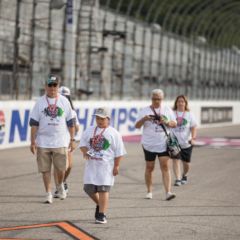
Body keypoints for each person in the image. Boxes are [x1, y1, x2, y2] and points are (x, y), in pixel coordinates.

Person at [29, 74, 76, 204]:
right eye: (50, 85)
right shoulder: (40, 102)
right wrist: (32, 141)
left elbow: (71, 122)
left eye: (55, 85)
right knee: (45, 170)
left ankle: (60, 184)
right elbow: (34, 123)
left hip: (60, 141)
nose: (52, 88)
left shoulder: (64, 101)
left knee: (61, 168)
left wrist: (72, 140)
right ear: (45, 86)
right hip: (43, 141)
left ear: (58, 86)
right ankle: (48, 193)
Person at [79, 107, 126, 224]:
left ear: (108, 119)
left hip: (106, 167)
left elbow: (119, 152)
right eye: (97, 118)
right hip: (91, 166)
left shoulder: (114, 133)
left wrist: (116, 166)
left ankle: (101, 214)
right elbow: (82, 144)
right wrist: (85, 151)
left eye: (102, 118)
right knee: (88, 188)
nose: (99, 121)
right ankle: (100, 205)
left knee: (103, 189)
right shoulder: (89, 130)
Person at [135, 89, 177, 201]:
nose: (156, 101)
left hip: (163, 143)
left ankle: (168, 192)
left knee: (165, 166)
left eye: (158, 99)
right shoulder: (145, 110)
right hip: (148, 144)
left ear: (162, 99)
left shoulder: (167, 109)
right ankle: (149, 191)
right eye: (154, 98)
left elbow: (174, 123)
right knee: (150, 167)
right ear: (151, 98)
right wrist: (144, 119)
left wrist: (167, 122)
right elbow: (137, 126)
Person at [53, 86, 80, 197]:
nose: (65, 99)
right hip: (57, 141)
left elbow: (77, 127)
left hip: (68, 140)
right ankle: (58, 187)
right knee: (60, 166)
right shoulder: (53, 109)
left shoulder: (71, 111)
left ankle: (62, 182)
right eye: (63, 97)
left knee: (69, 166)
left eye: (67, 97)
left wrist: (73, 132)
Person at [172, 95, 197, 186]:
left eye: (182, 101)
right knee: (175, 160)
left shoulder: (189, 114)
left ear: (185, 103)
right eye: (179, 101)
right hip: (174, 143)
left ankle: (184, 175)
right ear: (176, 103)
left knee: (186, 163)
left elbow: (193, 127)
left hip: (187, 143)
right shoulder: (172, 113)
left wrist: (193, 138)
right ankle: (178, 179)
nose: (180, 103)